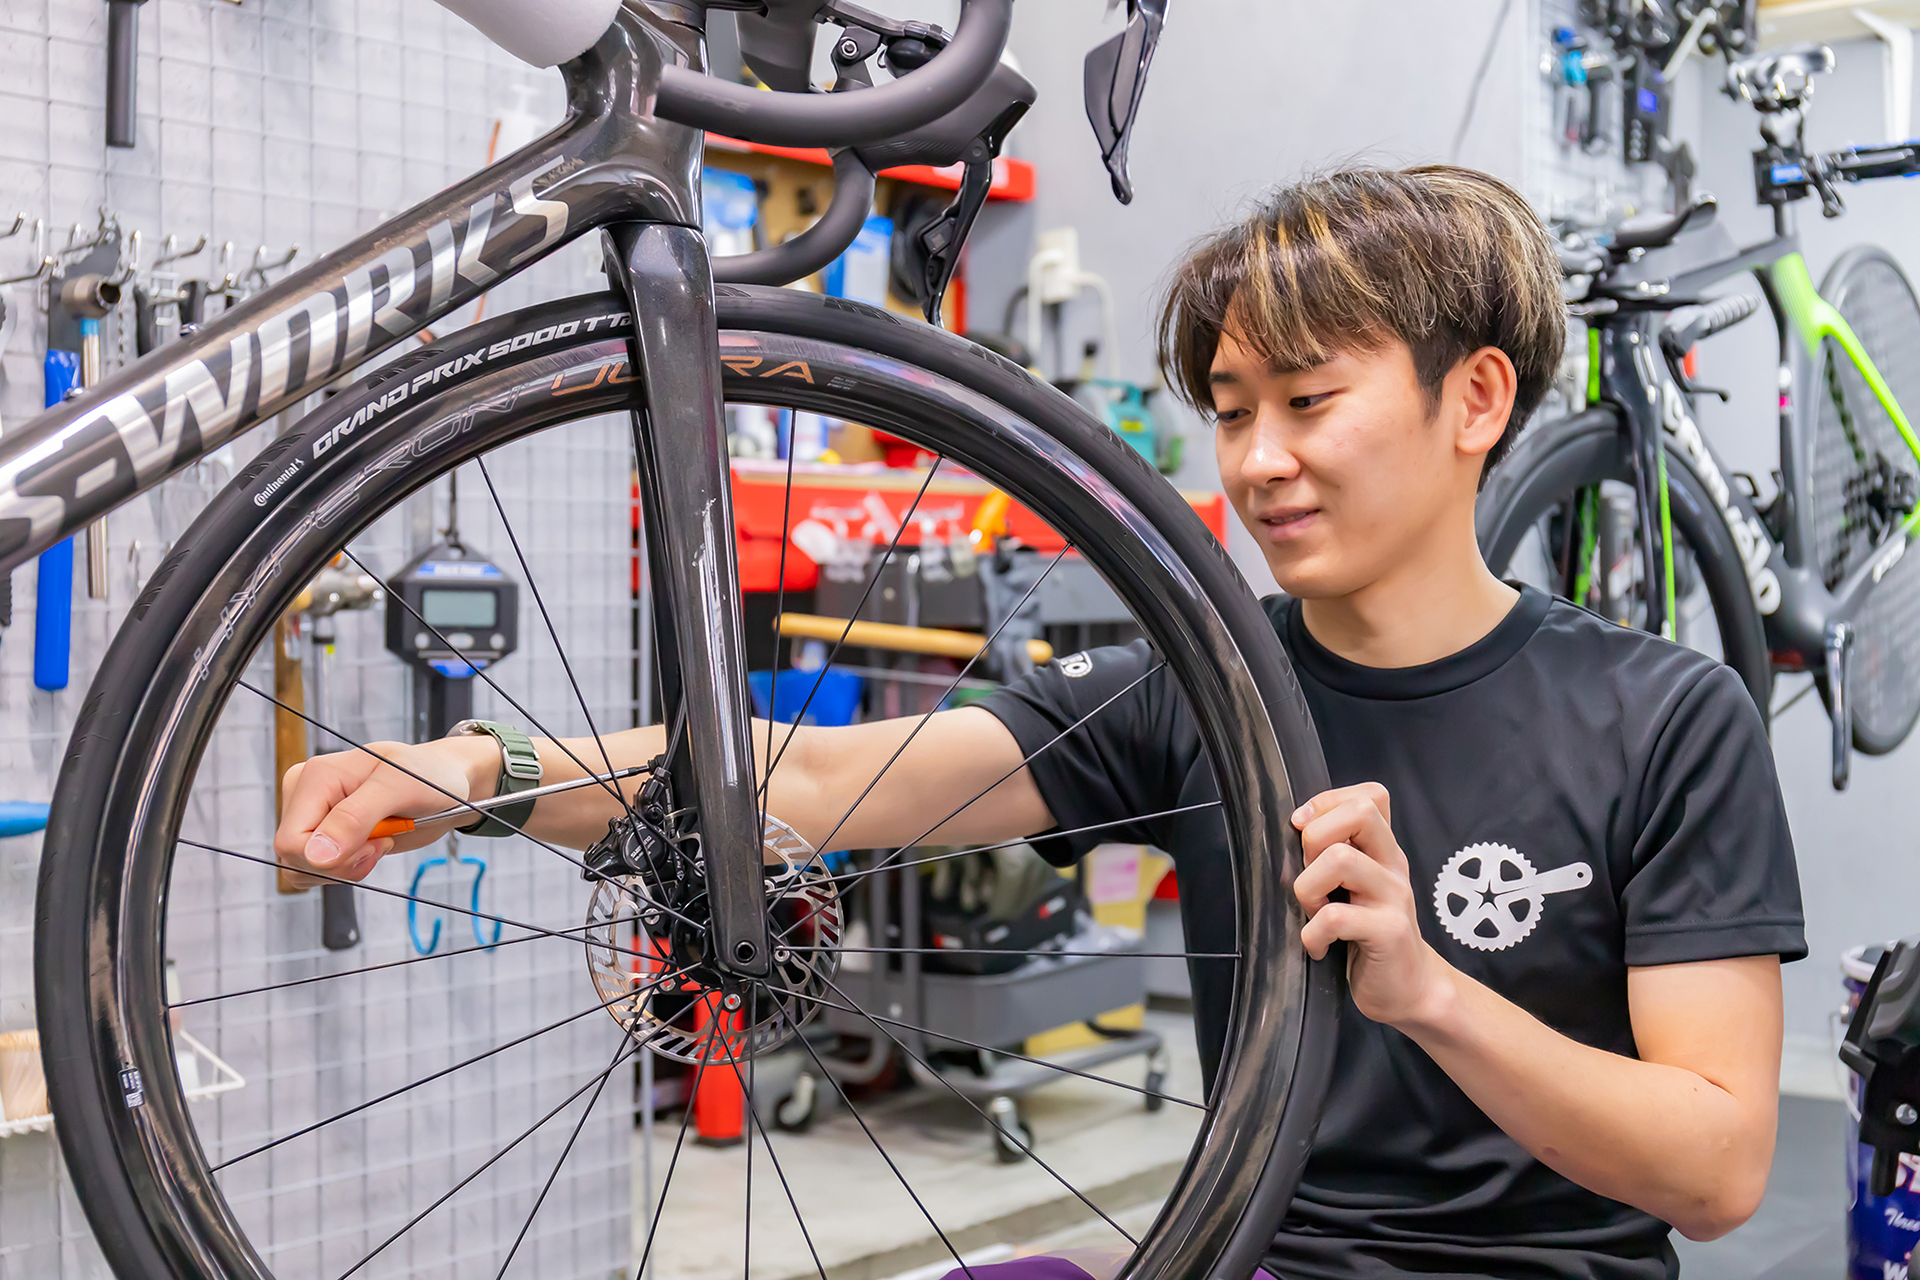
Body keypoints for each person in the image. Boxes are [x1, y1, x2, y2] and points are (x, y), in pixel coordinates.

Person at [275, 165, 1804, 1280]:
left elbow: (1720, 1167)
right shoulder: (1207, 685)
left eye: (1308, 400)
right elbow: (818, 773)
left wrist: (1433, 995)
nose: (1257, 459)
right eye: (1230, 409)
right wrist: (479, 769)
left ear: (1474, 400)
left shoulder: (1664, 717)